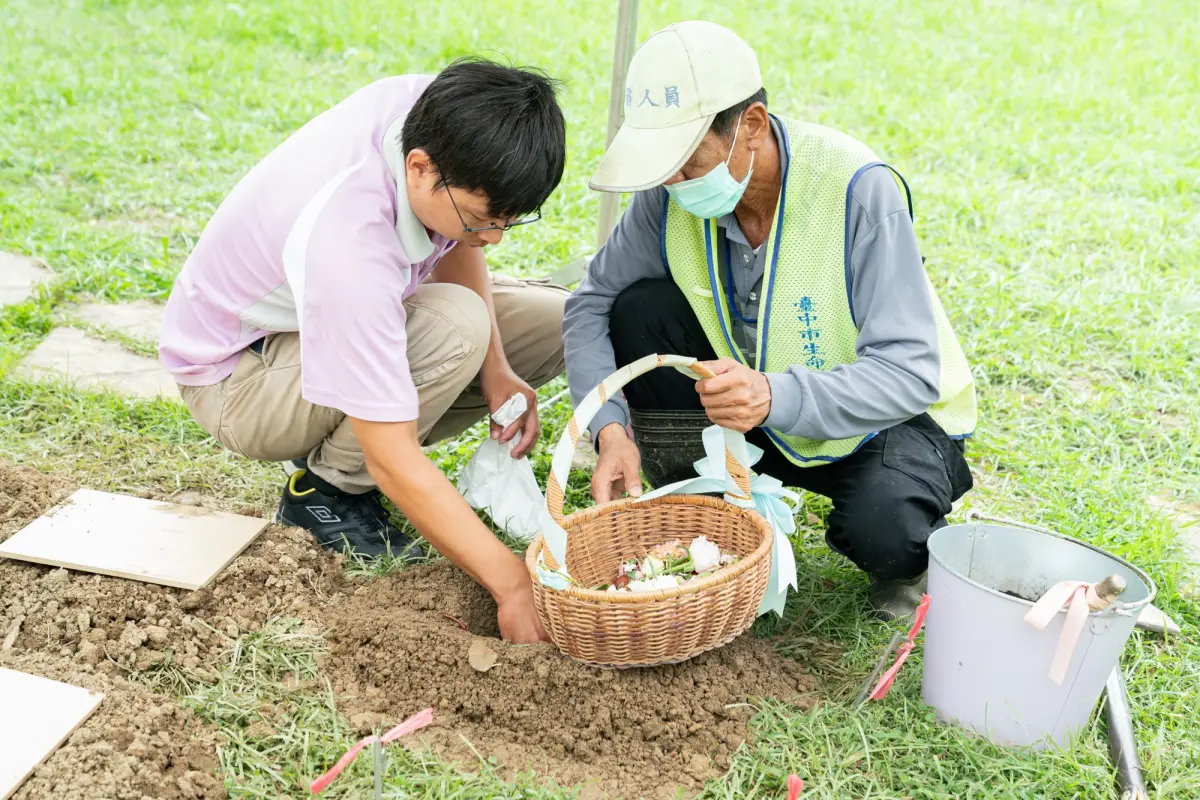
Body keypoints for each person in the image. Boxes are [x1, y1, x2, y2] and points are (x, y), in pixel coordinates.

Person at [563, 22, 977, 620]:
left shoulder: (858, 189)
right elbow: (591, 303)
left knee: (886, 530)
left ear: (751, 127)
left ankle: (905, 566)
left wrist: (773, 394)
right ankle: (711, 506)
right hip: (748, 413)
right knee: (638, 309)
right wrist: (609, 429)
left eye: (685, 160)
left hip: (880, 422)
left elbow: (908, 373)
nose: (672, 181)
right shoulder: (667, 195)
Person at [160, 59, 569, 642]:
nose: (494, 239)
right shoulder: (347, 245)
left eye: (508, 221)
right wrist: (511, 583)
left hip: (317, 321)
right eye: (483, 219)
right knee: (457, 329)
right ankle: (325, 494)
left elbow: (453, 237)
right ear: (419, 169)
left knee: (555, 320)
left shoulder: (433, 113)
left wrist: (498, 370)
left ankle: (351, 449)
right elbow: (391, 454)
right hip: (237, 380)